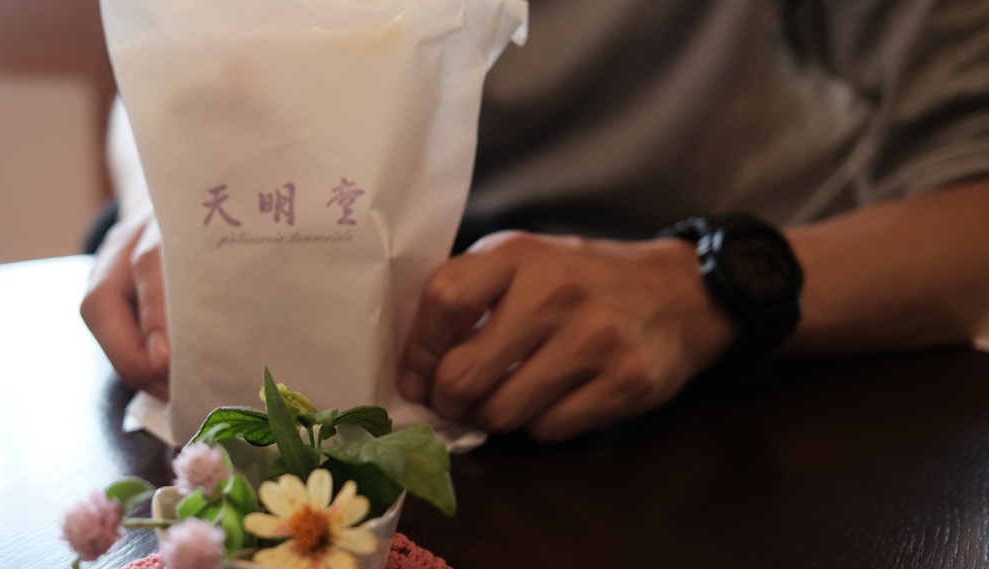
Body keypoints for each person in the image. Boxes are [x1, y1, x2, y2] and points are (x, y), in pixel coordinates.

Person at [82, 0, 989, 442]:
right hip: (391, 364)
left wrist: (706, 285)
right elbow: (180, 66)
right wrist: (165, 205)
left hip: (752, 382)